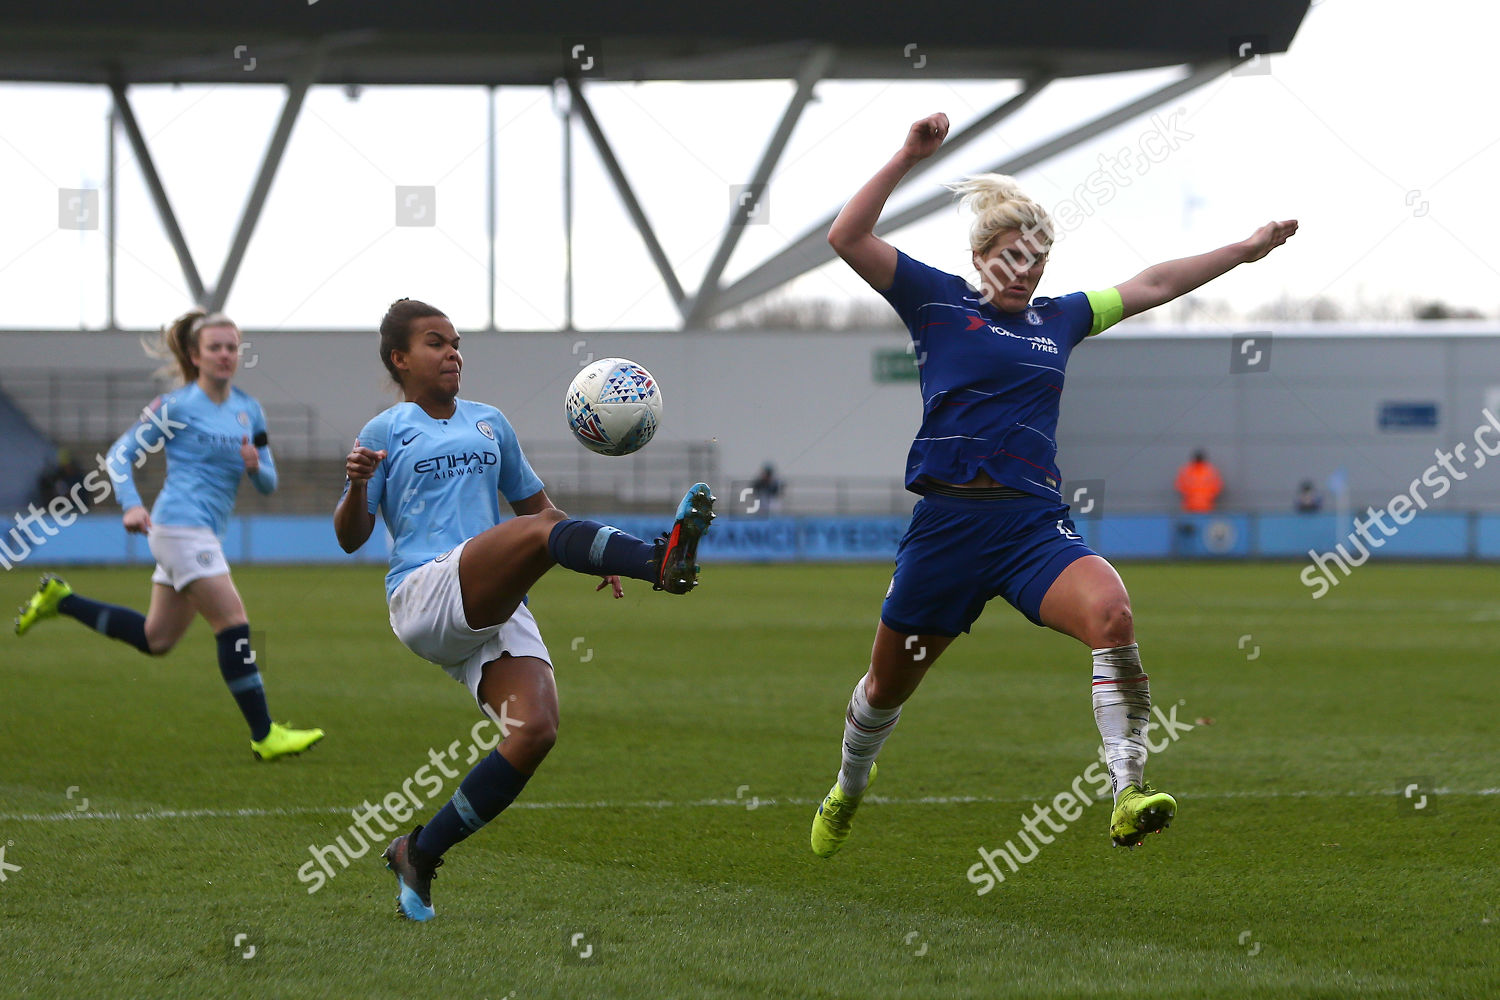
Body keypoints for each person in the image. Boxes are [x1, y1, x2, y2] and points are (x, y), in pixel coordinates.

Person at [810, 112, 1296, 857]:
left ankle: (1127, 794)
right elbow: (847, 236)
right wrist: (908, 154)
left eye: (1037, 258)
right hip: (947, 529)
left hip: (1032, 527)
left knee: (1113, 615)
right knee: (884, 690)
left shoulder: (1060, 319)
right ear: (981, 256)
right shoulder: (936, 302)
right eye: (1012, 255)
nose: (1026, 269)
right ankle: (849, 785)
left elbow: (1154, 282)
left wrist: (1244, 250)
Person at [333, 298, 715, 922]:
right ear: (399, 358)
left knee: (535, 731)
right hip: (424, 592)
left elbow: (543, 512)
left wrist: (598, 554)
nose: (452, 353)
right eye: (435, 342)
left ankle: (419, 852)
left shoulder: (491, 423)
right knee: (539, 536)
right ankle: (658, 562)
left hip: (491, 594)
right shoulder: (383, 432)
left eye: (456, 343)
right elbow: (351, 537)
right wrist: (355, 485)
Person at [14, 309, 325, 761]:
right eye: (215, 347)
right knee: (233, 621)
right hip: (179, 528)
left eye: (232, 347)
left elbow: (269, 483)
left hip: (203, 534)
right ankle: (265, 734)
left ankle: (62, 600)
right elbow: (120, 455)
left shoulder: (249, 410)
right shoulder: (175, 407)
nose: (225, 354)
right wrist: (131, 504)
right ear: (195, 356)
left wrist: (256, 467)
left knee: (156, 639)